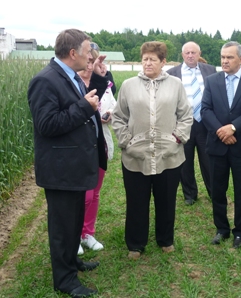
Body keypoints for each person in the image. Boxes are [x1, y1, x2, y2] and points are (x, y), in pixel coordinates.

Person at [27, 29, 108, 297]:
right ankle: (65, 281)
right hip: (61, 169)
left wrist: (96, 75)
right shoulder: (46, 80)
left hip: (74, 166)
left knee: (74, 222)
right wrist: (84, 108)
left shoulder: (69, 75)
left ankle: (72, 263)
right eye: (87, 51)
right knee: (62, 228)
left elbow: (84, 99)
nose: (90, 55)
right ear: (73, 53)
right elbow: (47, 124)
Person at [112, 41, 193, 260]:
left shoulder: (176, 85)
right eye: (145, 59)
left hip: (169, 155)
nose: (148, 63)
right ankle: (136, 243)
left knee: (166, 199)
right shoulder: (129, 85)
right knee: (137, 201)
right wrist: (127, 141)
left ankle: (165, 239)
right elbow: (119, 116)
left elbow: (186, 115)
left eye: (153, 59)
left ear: (163, 62)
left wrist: (178, 137)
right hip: (136, 155)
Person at [201, 41, 241, 248]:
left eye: (229, 57)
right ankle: (221, 229)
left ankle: (240, 231)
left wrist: (233, 128)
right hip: (217, 145)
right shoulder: (212, 81)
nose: (225, 61)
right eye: (222, 57)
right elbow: (205, 110)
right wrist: (222, 131)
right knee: (217, 189)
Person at [77, 45, 117, 255]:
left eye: (93, 62)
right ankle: (74, 235)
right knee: (82, 196)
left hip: (99, 144)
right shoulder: (72, 85)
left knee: (95, 194)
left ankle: (87, 232)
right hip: (79, 150)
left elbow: (113, 105)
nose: (89, 65)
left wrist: (109, 113)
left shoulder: (105, 86)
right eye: (87, 60)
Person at [167, 42, 216, 205]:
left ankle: (213, 192)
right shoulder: (172, 73)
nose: (190, 55)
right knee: (185, 161)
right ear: (182, 55)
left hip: (205, 123)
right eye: (187, 53)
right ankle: (190, 194)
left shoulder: (210, 70)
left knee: (208, 160)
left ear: (199, 53)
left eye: (193, 52)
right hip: (183, 123)